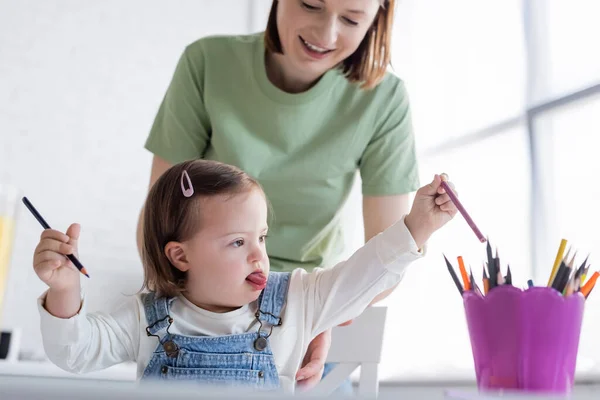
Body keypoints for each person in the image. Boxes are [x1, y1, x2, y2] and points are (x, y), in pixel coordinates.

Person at [139, 0, 420, 387]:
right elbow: (157, 227)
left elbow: (387, 262)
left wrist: (311, 312)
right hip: (205, 304)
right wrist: (220, 311)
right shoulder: (207, 63)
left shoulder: (385, 99)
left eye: (352, 19)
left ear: (377, 21)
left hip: (314, 303)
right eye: (310, 5)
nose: (326, 34)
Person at [36, 160, 457, 393]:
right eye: (238, 243)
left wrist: (418, 225)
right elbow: (74, 354)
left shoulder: (296, 300)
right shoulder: (144, 318)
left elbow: (367, 274)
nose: (260, 255)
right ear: (180, 256)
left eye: (262, 237)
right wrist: (65, 288)